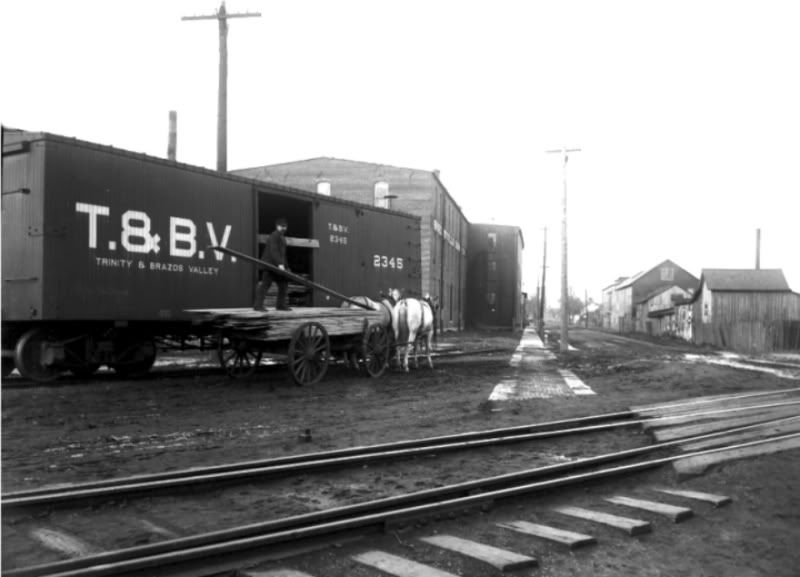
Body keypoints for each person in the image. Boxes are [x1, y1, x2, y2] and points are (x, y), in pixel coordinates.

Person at [254, 217, 292, 311]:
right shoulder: (273, 236)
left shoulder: (283, 238)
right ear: (277, 226)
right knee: (265, 285)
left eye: (285, 226)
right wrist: (280, 264)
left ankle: (280, 305)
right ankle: (258, 306)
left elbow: (283, 255)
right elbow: (273, 250)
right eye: (282, 226)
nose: (283, 228)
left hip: (278, 267)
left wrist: (287, 267)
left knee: (283, 285)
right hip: (270, 266)